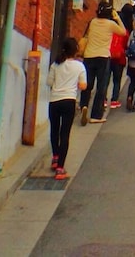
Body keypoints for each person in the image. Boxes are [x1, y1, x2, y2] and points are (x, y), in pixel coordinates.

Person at [78, 1, 127, 124]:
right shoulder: (110, 24)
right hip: (103, 57)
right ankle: (96, 115)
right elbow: (123, 32)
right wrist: (117, 18)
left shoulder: (92, 22)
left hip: (89, 56)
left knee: (88, 84)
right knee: (101, 87)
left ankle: (84, 105)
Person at [46, 38, 87, 180]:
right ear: (75, 50)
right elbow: (83, 86)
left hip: (54, 101)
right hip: (69, 101)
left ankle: (55, 157)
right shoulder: (80, 66)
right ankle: (60, 168)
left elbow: (49, 82)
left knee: (54, 130)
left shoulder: (55, 65)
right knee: (65, 134)